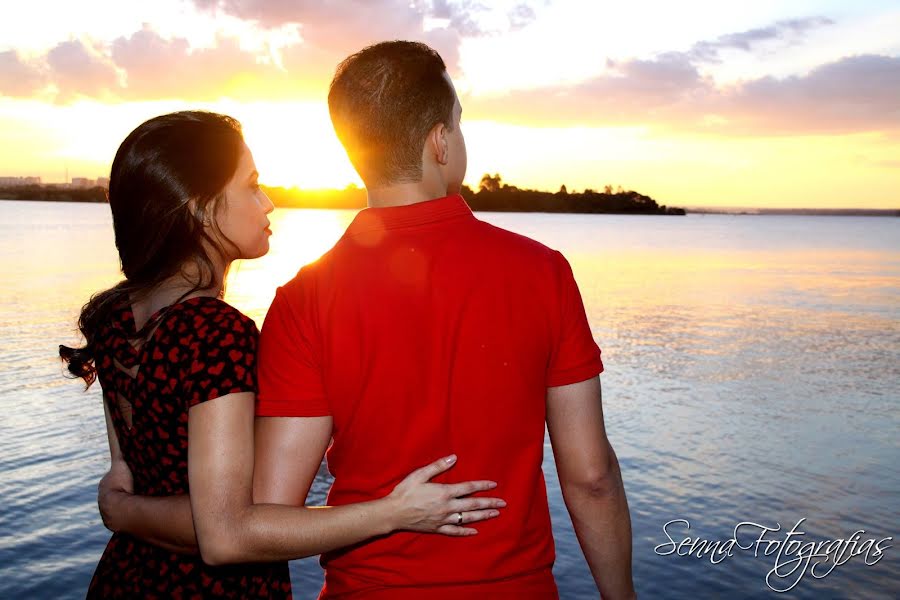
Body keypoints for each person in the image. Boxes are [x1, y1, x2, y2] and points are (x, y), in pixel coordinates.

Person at [60, 110, 507, 599]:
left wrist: (122, 512)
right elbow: (225, 534)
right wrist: (395, 511)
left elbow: (129, 484)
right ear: (202, 209)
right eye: (252, 187)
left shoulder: (116, 317)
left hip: (125, 579)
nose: (268, 202)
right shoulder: (214, 333)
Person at [254, 41, 636, 599]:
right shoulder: (542, 272)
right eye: (458, 124)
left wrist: (383, 514)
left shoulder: (302, 296)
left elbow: (270, 513)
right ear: (439, 141)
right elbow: (591, 477)